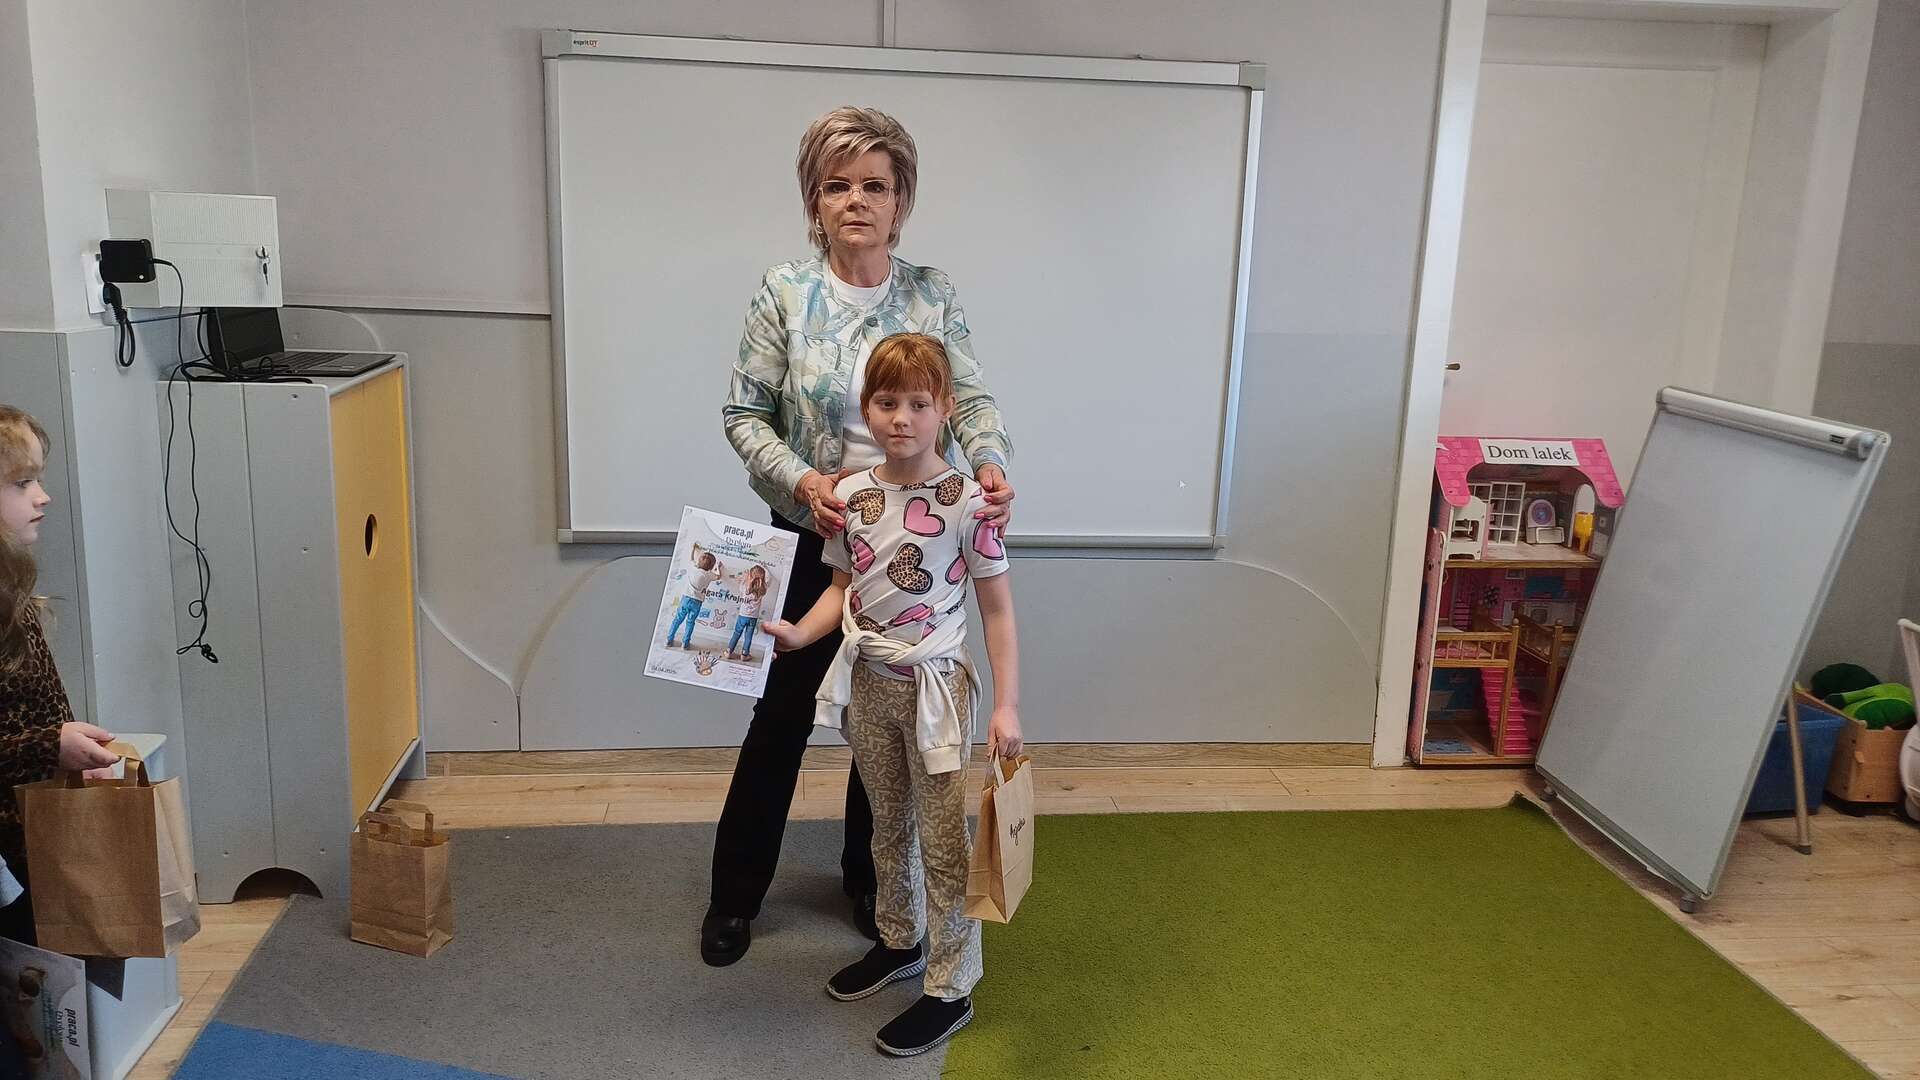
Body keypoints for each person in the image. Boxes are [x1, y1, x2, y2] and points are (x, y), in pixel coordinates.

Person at [706, 105, 1015, 966]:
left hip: (913, 539)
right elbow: (743, 414)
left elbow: (971, 400)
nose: (857, 201)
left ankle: (873, 883)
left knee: (886, 716)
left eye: (875, 186)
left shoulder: (931, 294)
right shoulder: (783, 291)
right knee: (782, 716)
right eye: (837, 185)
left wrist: (990, 461)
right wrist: (805, 484)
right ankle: (735, 897)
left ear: (900, 200)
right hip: (814, 530)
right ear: (814, 198)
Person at [764, 332, 1022, 1056]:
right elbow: (841, 589)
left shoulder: (970, 504)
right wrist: (797, 635)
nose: (901, 418)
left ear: (945, 408)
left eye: (917, 403)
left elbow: (999, 611)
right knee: (886, 825)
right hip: (870, 684)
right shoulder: (850, 495)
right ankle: (900, 940)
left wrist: (1007, 705)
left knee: (942, 840)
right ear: (867, 409)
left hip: (937, 691)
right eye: (886, 403)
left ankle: (951, 986)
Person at [0, 405, 120, 945]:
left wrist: (66, 755)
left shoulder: (10, 585)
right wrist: (51, 748)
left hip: (32, 825)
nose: (42, 496)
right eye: (22, 483)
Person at [665, 546, 723, 650]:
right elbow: (719, 576)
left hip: (686, 599)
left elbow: (691, 558)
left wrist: (693, 549)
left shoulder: (693, 568)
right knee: (690, 622)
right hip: (697, 602)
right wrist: (718, 567)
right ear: (711, 566)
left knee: (677, 620)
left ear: (699, 561)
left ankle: (669, 640)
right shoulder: (709, 575)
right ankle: (685, 643)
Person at [727, 566, 769, 662]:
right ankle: (744, 654)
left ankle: (728, 651)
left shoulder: (744, 587)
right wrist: (765, 568)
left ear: (750, 575)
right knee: (748, 636)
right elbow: (768, 578)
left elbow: (739, 582)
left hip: (742, 615)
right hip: (753, 617)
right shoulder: (763, 589)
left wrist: (746, 577)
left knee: (737, 633)